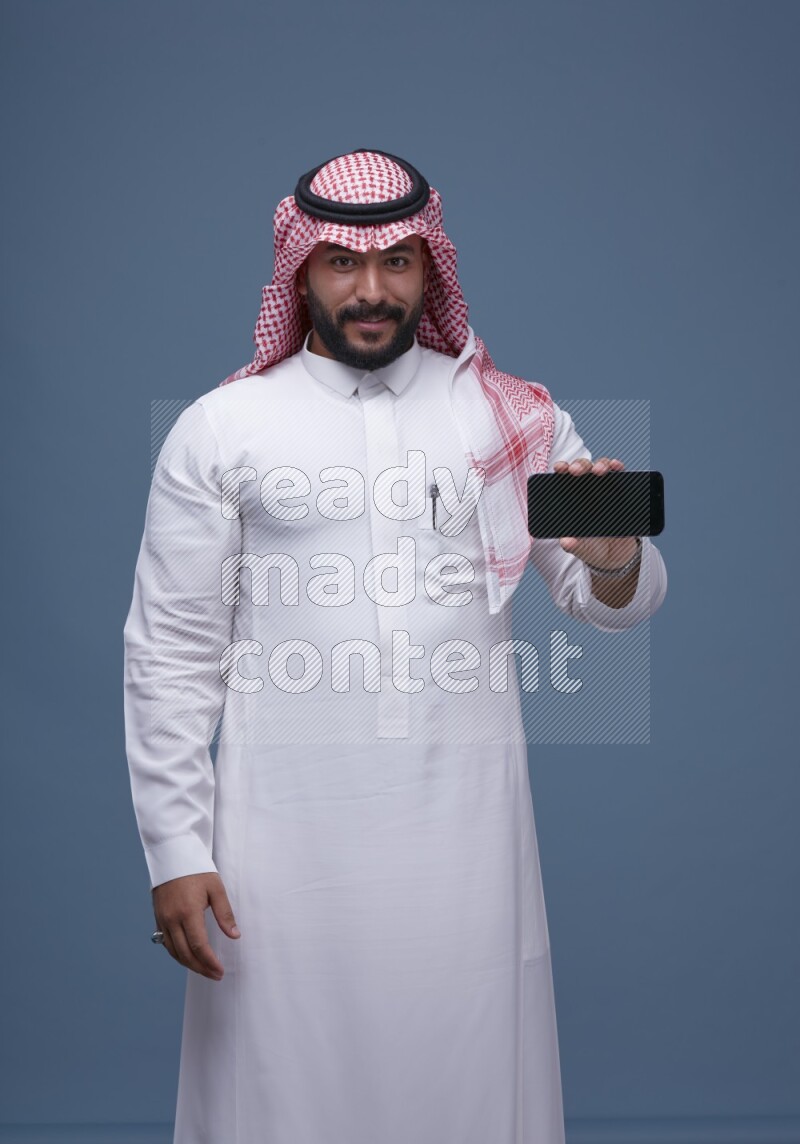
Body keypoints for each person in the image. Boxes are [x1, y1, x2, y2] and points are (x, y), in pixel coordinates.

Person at [123, 149, 667, 1144]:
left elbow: (609, 605)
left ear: (431, 270)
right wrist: (174, 845)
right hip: (276, 851)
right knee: (278, 1092)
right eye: (340, 263)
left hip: (464, 847)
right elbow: (169, 653)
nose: (370, 289)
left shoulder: (509, 416)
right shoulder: (222, 428)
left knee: (465, 1088)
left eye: (397, 264)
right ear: (298, 272)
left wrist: (615, 556)